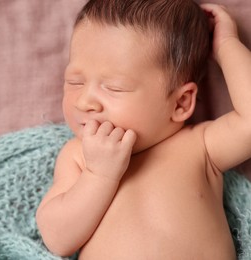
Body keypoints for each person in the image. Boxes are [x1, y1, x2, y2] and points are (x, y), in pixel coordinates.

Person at [36, 0, 250, 258]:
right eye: (75, 82)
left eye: (113, 87)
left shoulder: (201, 146)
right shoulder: (79, 156)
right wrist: (98, 175)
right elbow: (58, 239)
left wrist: (227, 45)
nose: (84, 102)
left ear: (180, 103)